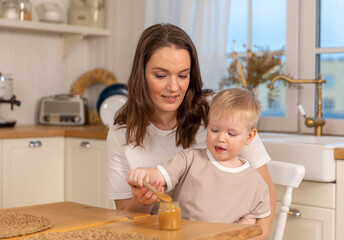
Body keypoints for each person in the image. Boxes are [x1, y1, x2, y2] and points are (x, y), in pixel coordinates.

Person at [107, 23, 275, 239]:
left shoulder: (220, 110)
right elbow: (127, 220)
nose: (174, 87)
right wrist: (142, 199)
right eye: (161, 76)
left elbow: (264, 192)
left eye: (183, 75)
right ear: (141, 75)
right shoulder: (122, 135)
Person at [127, 87, 271, 225]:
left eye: (231, 134)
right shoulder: (189, 159)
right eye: (214, 129)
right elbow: (159, 175)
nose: (221, 138)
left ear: (249, 137)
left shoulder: (256, 184)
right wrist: (144, 174)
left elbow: (249, 226)